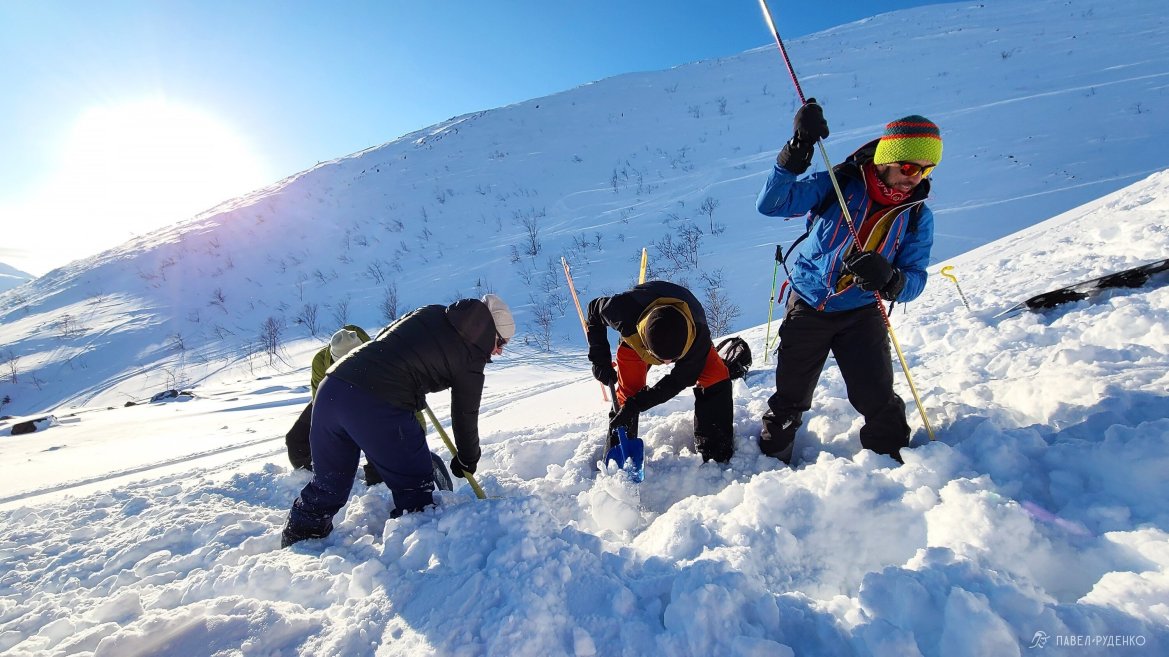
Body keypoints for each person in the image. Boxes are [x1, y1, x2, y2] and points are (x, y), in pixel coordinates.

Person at [755, 99, 940, 464]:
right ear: (885, 159)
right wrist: (797, 150)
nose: (913, 177)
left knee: (876, 396)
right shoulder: (838, 183)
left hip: (862, 312)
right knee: (790, 396)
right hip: (808, 305)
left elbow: (916, 278)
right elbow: (773, 204)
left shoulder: (917, 216)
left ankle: (894, 461)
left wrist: (891, 279)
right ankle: (770, 460)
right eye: (906, 166)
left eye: (925, 169)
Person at [281, 294, 515, 548]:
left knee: (329, 484)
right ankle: (413, 559)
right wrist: (468, 459)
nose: (499, 351)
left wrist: (410, 384)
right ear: (490, 332)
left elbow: (386, 341)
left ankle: (298, 541)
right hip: (375, 401)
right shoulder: (472, 358)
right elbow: (465, 414)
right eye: (501, 342)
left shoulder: (432, 310)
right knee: (415, 486)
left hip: (332, 388)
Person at [586, 281, 733, 463]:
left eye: (673, 359)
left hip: (688, 334)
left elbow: (678, 381)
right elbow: (593, 311)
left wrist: (638, 404)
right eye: (661, 358)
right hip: (636, 339)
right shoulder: (623, 311)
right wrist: (599, 359)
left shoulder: (698, 335)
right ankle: (619, 457)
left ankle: (716, 449)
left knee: (716, 376)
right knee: (628, 393)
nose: (666, 364)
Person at [284, 325, 371, 472]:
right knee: (296, 439)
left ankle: (379, 475)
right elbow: (321, 406)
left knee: (376, 435)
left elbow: (402, 398)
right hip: (332, 397)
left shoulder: (377, 355)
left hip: (371, 396)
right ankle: (313, 473)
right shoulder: (320, 362)